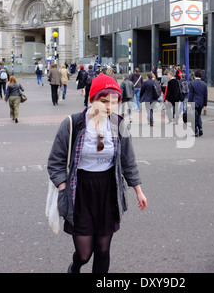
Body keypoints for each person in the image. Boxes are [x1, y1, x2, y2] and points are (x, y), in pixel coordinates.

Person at [47, 73, 147, 273]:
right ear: (92, 99)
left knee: (103, 249)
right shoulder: (72, 123)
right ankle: (74, 267)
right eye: (103, 101)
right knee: (84, 254)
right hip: (80, 191)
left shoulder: (119, 124)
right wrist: (63, 187)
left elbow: (128, 161)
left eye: (113, 101)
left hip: (108, 190)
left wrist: (138, 190)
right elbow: (55, 162)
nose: (108, 107)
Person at [188, 69, 208, 137]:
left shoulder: (192, 83)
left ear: (194, 75)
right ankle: (200, 127)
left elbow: (191, 94)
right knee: (198, 115)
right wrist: (205, 104)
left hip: (194, 102)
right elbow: (205, 95)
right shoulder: (204, 84)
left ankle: (195, 131)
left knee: (193, 117)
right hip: (201, 103)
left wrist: (189, 103)